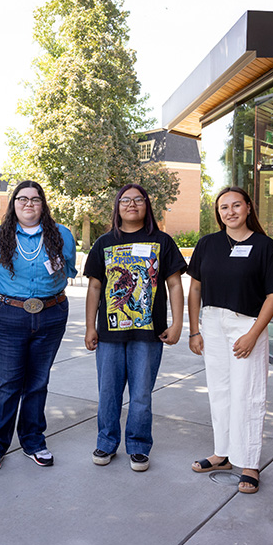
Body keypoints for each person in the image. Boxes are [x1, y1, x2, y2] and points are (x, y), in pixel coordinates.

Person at [188, 186, 273, 494]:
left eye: (235, 205)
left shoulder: (264, 246)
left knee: (249, 393)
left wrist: (254, 334)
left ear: (248, 207)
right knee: (219, 390)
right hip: (213, 323)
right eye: (223, 208)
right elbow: (194, 290)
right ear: (218, 214)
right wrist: (195, 329)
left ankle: (249, 462)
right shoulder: (208, 244)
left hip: (246, 324)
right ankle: (223, 454)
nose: (230, 212)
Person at [84, 183, 186, 472]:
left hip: (148, 334)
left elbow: (175, 283)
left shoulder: (162, 241)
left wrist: (178, 323)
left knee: (141, 393)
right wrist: (90, 327)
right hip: (109, 333)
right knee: (108, 392)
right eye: (125, 200)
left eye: (138, 200)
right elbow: (94, 287)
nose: (131, 205)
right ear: (117, 207)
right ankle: (106, 442)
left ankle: (139, 446)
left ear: (147, 206)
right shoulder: (104, 243)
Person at [0, 180, 76, 471]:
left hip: (52, 314)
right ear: (13, 203)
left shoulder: (62, 236)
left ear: (43, 204)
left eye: (35, 199)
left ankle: (33, 440)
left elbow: (68, 271)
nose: (29, 204)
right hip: (9, 316)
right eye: (22, 199)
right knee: (7, 383)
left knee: (37, 382)